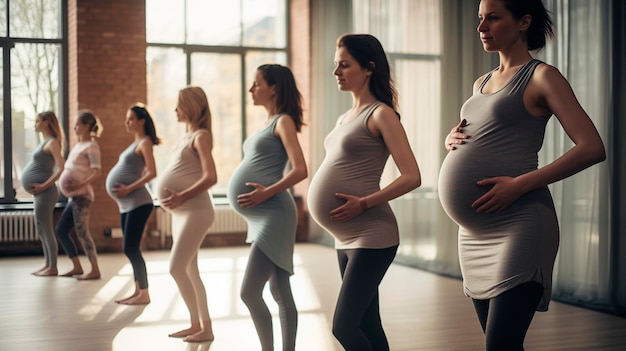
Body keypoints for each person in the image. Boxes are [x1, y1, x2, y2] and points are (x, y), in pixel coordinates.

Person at [438, 1, 606, 349]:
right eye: (480, 19)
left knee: (500, 345)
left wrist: (519, 185)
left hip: (520, 226)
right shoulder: (481, 82)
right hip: (473, 235)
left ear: (523, 22)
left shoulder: (543, 76)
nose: (482, 27)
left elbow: (592, 147)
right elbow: (488, 134)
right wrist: (451, 140)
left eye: (494, 18)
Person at [308, 34, 421, 351]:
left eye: (345, 65)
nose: (337, 72)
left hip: (372, 235)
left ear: (368, 68)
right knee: (368, 324)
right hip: (344, 238)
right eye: (336, 65)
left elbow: (412, 176)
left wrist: (364, 203)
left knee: (344, 327)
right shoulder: (344, 117)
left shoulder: (381, 114)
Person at [228, 64, 307, 351]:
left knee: (250, 292)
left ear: (273, 88)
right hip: (264, 216)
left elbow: (300, 170)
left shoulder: (283, 121)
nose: (251, 89)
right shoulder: (269, 121)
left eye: (256, 83)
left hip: (275, 214)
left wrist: (267, 193)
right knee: (279, 290)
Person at [155, 87, 217, 343]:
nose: (175, 110)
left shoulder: (200, 136)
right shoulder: (186, 136)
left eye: (179, 105)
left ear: (190, 107)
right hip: (183, 213)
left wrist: (181, 196)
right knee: (190, 271)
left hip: (196, 211)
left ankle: (205, 328)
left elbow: (211, 176)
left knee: (176, 267)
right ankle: (199, 325)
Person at [106, 103, 160, 305]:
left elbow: (152, 172)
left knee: (131, 248)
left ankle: (144, 293)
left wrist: (129, 189)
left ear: (141, 121)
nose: (126, 123)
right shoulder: (136, 142)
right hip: (127, 204)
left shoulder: (144, 142)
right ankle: (138, 291)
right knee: (130, 248)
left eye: (130, 119)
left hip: (139, 202)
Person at [56, 109, 104, 280]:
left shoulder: (92, 146)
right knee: (61, 230)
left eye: (78, 125)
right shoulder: (78, 146)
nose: (75, 128)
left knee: (83, 233)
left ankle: (95, 270)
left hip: (82, 197)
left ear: (86, 126)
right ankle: (77, 266)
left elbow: (96, 171)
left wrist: (79, 183)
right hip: (73, 197)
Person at [22, 111, 65, 276]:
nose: (35, 124)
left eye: (37, 121)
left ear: (46, 122)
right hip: (40, 193)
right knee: (41, 228)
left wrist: (43, 185)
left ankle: (52, 267)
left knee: (46, 228)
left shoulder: (52, 142)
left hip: (46, 193)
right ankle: (48, 264)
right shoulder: (45, 142)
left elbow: (61, 167)